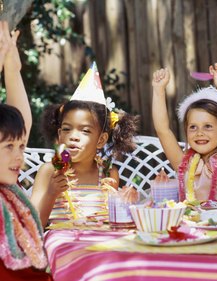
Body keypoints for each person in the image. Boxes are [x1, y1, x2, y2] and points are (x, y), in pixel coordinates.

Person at [31, 63, 138, 227]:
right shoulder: (49, 172)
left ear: (101, 140)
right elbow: (33, 226)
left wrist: (126, 202)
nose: (73, 136)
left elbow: (115, 222)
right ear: (60, 135)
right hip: (61, 247)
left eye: (85, 131)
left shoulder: (109, 173)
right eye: (67, 129)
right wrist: (51, 193)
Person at [152, 63, 217, 201]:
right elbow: (162, 130)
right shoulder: (183, 164)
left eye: (208, 126)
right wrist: (159, 90)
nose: (199, 133)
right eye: (193, 127)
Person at [0, 21, 51, 280]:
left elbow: (22, 121)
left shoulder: (9, 189)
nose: (19, 155)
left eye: (21, 146)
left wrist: (12, 66)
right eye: (8, 146)